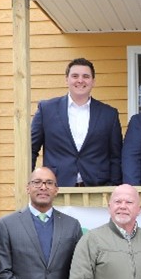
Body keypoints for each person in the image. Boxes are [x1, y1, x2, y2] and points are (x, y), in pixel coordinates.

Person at [31, 58, 123, 187]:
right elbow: (31, 149)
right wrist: (33, 183)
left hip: (98, 189)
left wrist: (113, 185)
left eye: (86, 76)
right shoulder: (46, 109)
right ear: (66, 79)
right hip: (56, 187)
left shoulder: (109, 114)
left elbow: (116, 156)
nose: (80, 80)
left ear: (93, 81)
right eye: (75, 76)